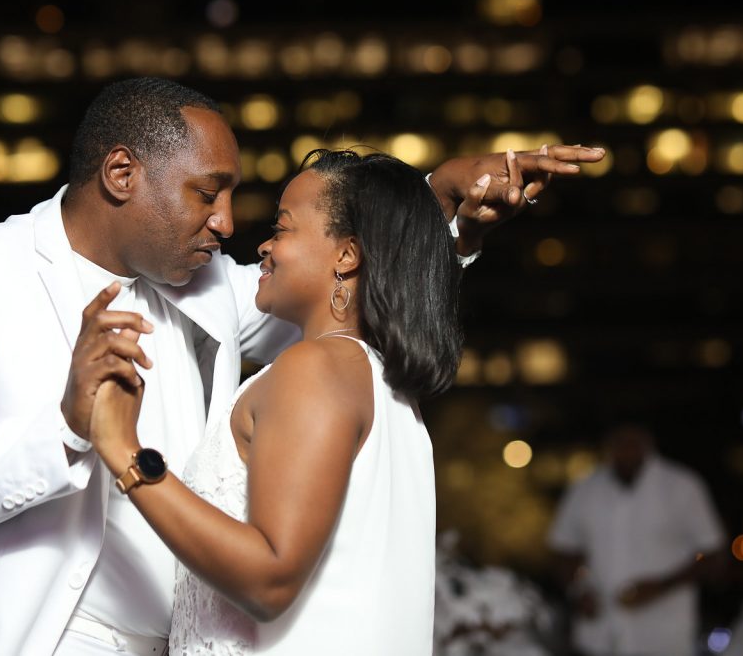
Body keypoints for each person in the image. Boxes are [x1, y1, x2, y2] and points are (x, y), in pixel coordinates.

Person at [0, 77, 605, 655]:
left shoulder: (207, 285)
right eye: (206, 192)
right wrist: (62, 435)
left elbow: (343, 281)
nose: (228, 224)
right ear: (122, 173)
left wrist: (437, 200)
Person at [85, 149, 473, 653]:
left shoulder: (315, 368)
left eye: (283, 227)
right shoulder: (378, 381)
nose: (264, 245)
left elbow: (270, 579)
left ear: (347, 254)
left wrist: (124, 451)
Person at [547, 424, 726, 656]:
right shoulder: (585, 488)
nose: (626, 450)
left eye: (633, 442)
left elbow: (712, 553)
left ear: (647, 442)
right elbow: (563, 549)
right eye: (619, 442)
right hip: (600, 633)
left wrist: (661, 586)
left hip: (662, 635)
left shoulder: (682, 486)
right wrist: (578, 589)